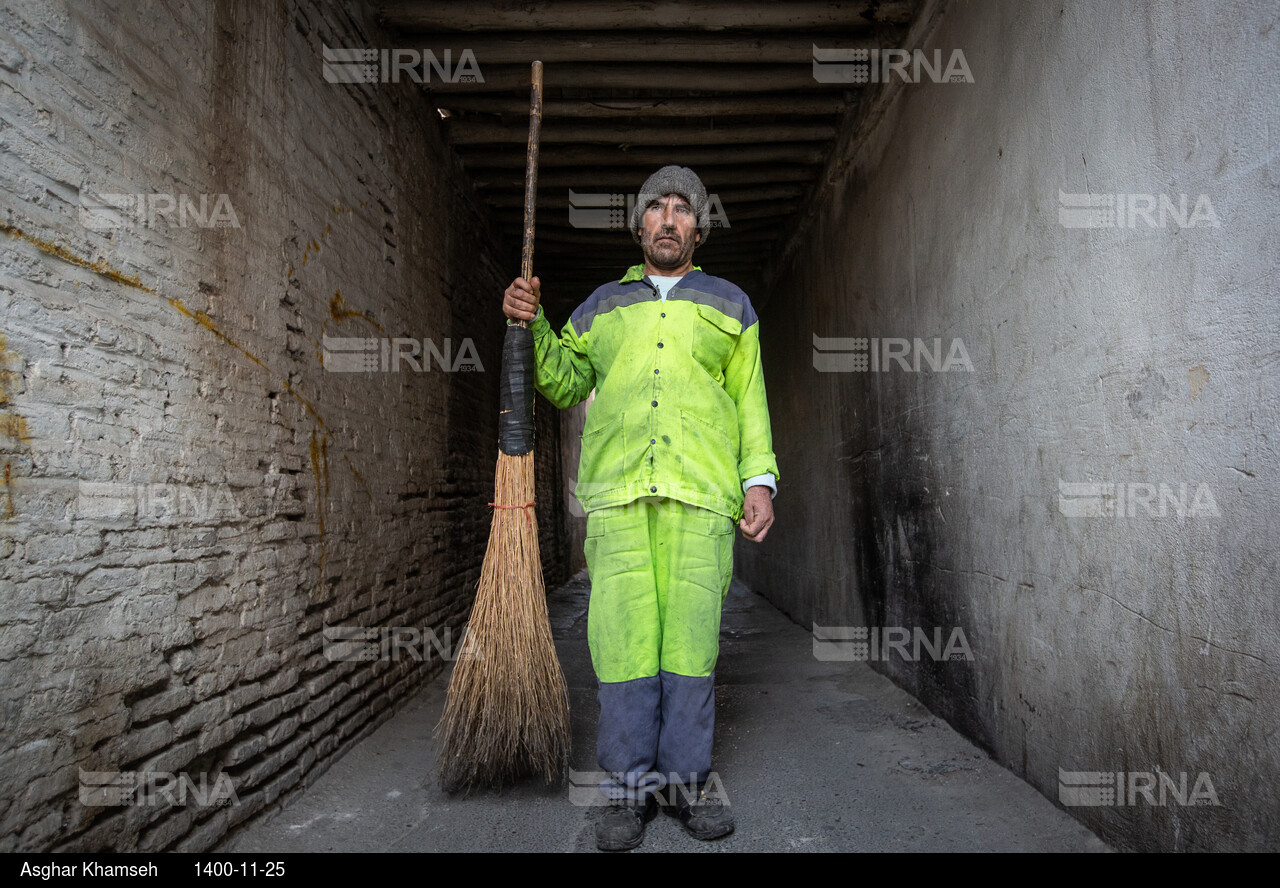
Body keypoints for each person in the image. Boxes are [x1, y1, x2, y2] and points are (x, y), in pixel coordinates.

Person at [502, 166, 779, 851]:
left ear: (698, 227)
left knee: (688, 648)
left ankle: (686, 788)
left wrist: (759, 483)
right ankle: (625, 796)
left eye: (681, 208)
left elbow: (750, 404)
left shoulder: (731, 305)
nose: (667, 218)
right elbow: (564, 384)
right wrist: (530, 324)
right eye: (655, 208)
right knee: (622, 649)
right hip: (620, 503)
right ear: (637, 226)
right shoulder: (601, 306)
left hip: (699, 503)